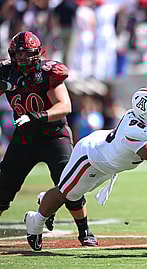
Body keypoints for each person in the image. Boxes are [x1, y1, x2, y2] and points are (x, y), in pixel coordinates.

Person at [24, 87, 147, 251]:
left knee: (75, 193)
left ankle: (46, 203)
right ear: (145, 117)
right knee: (65, 194)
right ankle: (35, 221)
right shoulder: (134, 131)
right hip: (90, 159)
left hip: (107, 162)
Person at [0, 31, 97, 247]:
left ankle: (84, 230)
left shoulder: (47, 72)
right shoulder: (5, 71)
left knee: (70, 184)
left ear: (38, 54)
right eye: (19, 54)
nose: (23, 58)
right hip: (24, 138)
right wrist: (5, 85)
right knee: (3, 187)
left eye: (28, 54)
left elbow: (65, 106)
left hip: (53, 135)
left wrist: (36, 116)